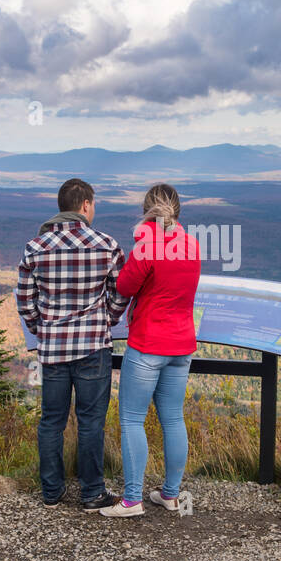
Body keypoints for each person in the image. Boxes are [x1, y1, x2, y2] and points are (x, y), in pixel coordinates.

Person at [16, 178, 128, 511]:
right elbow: (122, 290)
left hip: (52, 350)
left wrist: (41, 327)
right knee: (91, 421)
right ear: (85, 205)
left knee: (52, 420)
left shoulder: (36, 247)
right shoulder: (107, 244)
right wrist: (107, 318)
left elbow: (24, 299)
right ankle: (92, 492)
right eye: (93, 205)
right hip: (93, 345)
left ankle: (51, 492)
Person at [101, 183, 201, 517]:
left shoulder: (147, 248)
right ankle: (170, 494)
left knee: (132, 418)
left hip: (148, 344)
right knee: (173, 417)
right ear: (178, 211)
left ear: (146, 210)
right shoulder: (192, 245)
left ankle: (131, 500)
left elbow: (125, 286)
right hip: (182, 344)